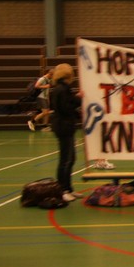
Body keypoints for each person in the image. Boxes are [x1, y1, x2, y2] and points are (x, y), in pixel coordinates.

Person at [48, 63, 82, 203]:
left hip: (65, 126)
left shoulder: (62, 89)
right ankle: (63, 190)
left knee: (70, 159)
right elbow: (66, 108)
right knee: (65, 160)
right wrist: (78, 99)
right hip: (63, 127)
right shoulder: (62, 90)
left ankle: (68, 188)